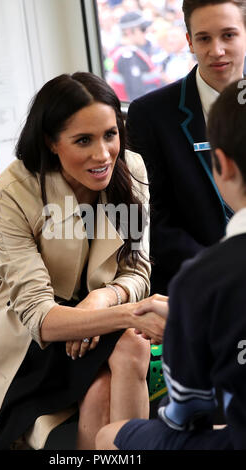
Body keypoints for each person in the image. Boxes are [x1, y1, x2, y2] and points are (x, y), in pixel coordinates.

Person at [0, 72, 167, 450]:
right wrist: (129, 314)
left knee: (133, 349)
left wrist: (104, 298)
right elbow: (39, 316)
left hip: (96, 313)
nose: (102, 154)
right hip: (20, 332)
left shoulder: (130, 172)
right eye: (83, 140)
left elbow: (135, 269)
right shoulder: (11, 194)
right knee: (125, 349)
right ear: (51, 142)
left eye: (110, 135)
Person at [96, 78, 246, 450]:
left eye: (109, 136)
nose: (100, 154)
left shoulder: (201, 279)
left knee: (108, 437)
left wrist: (190, 319)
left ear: (221, 163)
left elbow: (187, 411)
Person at [126, 0, 246, 295]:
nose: (216, 50)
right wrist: (218, 267)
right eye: (204, 38)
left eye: (228, 35)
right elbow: (148, 220)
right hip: (194, 284)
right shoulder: (150, 115)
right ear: (190, 41)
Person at [107, 11, 162, 101]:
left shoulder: (119, 52)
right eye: (143, 29)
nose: (146, 34)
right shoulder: (128, 57)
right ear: (129, 32)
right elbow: (136, 96)